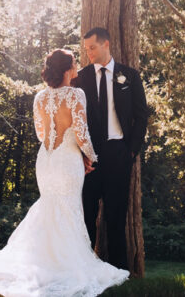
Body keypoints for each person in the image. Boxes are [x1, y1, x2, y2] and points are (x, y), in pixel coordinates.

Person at [0, 49, 129, 297]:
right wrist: (91, 158)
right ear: (66, 70)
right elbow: (82, 135)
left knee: (51, 208)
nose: (76, 68)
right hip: (67, 160)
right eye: (74, 64)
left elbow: (41, 134)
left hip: (46, 160)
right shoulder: (77, 95)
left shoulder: (39, 98)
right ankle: (64, 267)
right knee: (68, 211)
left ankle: (45, 266)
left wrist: (62, 146)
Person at [72, 27, 149, 272]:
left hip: (119, 154)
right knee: (87, 214)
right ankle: (84, 270)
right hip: (89, 157)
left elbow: (141, 115)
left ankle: (119, 273)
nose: (89, 53)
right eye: (86, 49)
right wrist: (81, 154)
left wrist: (132, 151)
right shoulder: (80, 78)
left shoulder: (130, 76)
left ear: (106, 44)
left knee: (116, 216)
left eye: (92, 48)